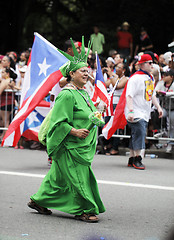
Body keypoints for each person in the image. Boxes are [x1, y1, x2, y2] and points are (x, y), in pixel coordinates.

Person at [27, 37, 105, 222]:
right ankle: (86, 209)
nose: (87, 74)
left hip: (80, 144)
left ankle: (38, 200)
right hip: (69, 145)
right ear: (71, 74)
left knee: (57, 178)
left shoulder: (83, 92)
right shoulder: (66, 94)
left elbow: (89, 114)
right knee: (78, 177)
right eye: (82, 71)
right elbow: (59, 122)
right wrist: (74, 132)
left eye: (88, 70)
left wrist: (98, 112)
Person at [125, 54, 163, 170]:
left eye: (152, 63)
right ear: (141, 64)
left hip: (144, 111)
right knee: (140, 133)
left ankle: (131, 158)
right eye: (149, 63)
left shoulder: (150, 77)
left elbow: (152, 95)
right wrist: (131, 111)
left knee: (136, 134)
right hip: (135, 111)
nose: (152, 65)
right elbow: (129, 95)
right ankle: (138, 158)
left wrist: (158, 107)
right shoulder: (135, 78)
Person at [155, 69, 174, 153]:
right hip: (164, 107)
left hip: (172, 108)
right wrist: (159, 92)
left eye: (166, 75)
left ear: (171, 77)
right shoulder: (161, 83)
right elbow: (155, 90)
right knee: (157, 115)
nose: (164, 77)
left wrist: (167, 94)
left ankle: (170, 143)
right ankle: (161, 131)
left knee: (172, 125)